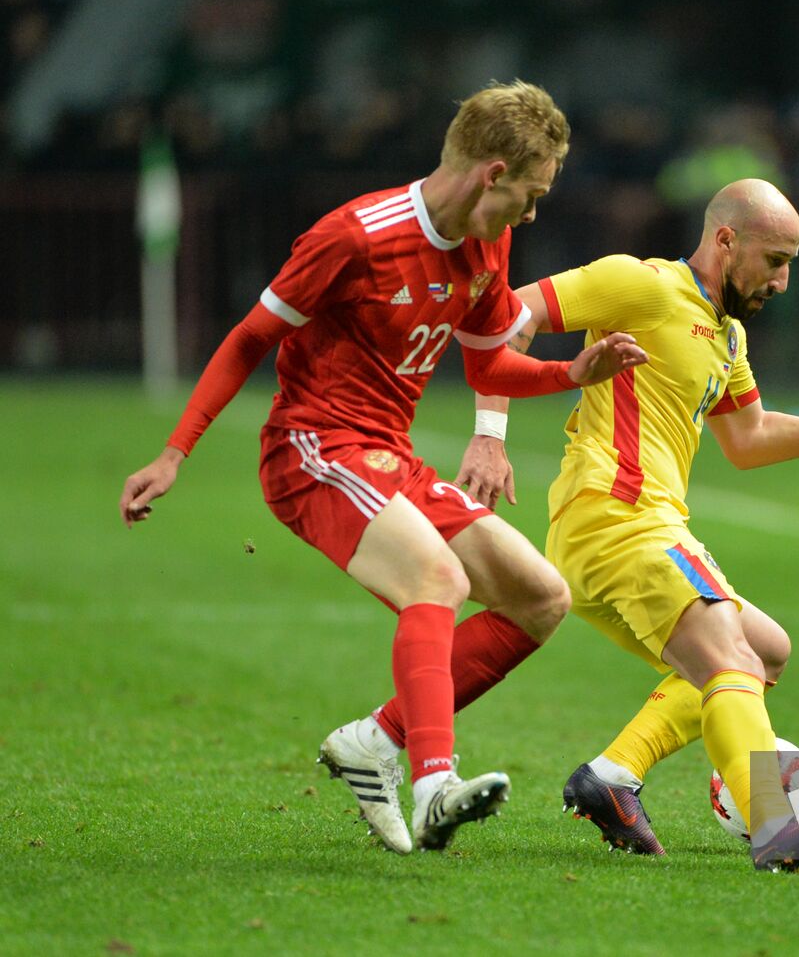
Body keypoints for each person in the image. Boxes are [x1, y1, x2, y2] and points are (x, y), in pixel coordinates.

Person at [118, 81, 646, 856]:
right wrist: (175, 451)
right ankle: (434, 783)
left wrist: (574, 372)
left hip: (387, 454)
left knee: (540, 597)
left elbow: (491, 364)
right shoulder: (357, 236)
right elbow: (248, 338)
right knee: (438, 578)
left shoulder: (487, 242)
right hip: (312, 448)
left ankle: (376, 740)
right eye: (529, 196)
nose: (532, 216)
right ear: (491, 174)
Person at [439, 178, 799, 871]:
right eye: (775, 260)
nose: (785, 280)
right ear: (726, 240)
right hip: (620, 518)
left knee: (765, 649)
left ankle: (613, 775)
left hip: (628, 529)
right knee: (733, 659)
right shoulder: (640, 284)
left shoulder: (727, 336)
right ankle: (776, 821)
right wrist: (489, 434)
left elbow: (751, 438)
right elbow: (510, 315)